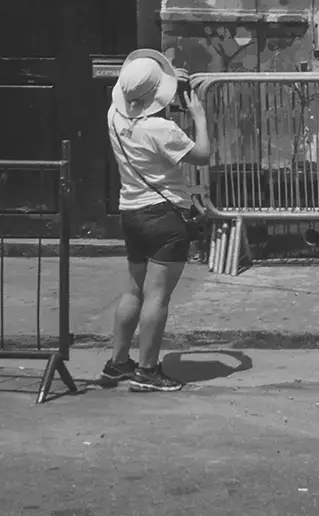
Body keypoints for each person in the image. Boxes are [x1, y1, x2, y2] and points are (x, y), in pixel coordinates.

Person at [100, 48, 210, 394]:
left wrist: (166, 83)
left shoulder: (113, 117)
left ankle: (118, 362)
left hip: (132, 212)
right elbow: (203, 155)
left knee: (133, 289)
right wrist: (200, 116)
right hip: (165, 216)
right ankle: (147, 369)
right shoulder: (162, 129)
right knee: (157, 298)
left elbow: (141, 99)